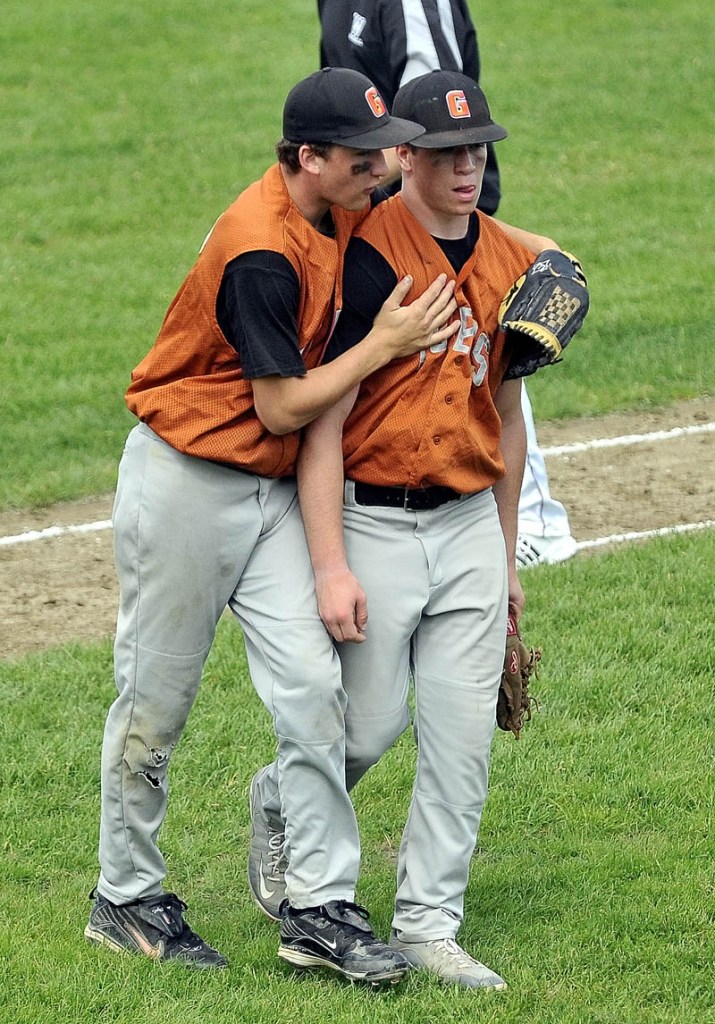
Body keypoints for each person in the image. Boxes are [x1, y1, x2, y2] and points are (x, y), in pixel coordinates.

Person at [84, 67, 460, 982]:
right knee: (155, 703)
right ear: (308, 158)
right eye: (365, 156)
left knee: (311, 688)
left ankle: (319, 905)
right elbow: (284, 407)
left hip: (272, 494)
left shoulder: (340, 210)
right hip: (187, 487)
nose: (383, 167)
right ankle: (126, 896)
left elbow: (446, 216)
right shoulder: (260, 248)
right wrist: (381, 347)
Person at [293, 70, 581, 989]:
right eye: (447, 153)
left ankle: (427, 922)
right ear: (402, 156)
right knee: (368, 726)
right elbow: (325, 417)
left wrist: (503, 557)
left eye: (479, 151)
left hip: (463, 522)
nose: (467, 169)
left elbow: (504, 408)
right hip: (371, 518)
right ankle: (285, 802)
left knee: (460, 740)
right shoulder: (365, 252)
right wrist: (329, 562)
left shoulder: (506, 260)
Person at [316, 0, 577, 566]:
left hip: (432, 218)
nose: (469, 160)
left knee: (480, 359)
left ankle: (533, 520)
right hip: (385, 212)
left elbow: (443, 116)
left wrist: (501, 238)